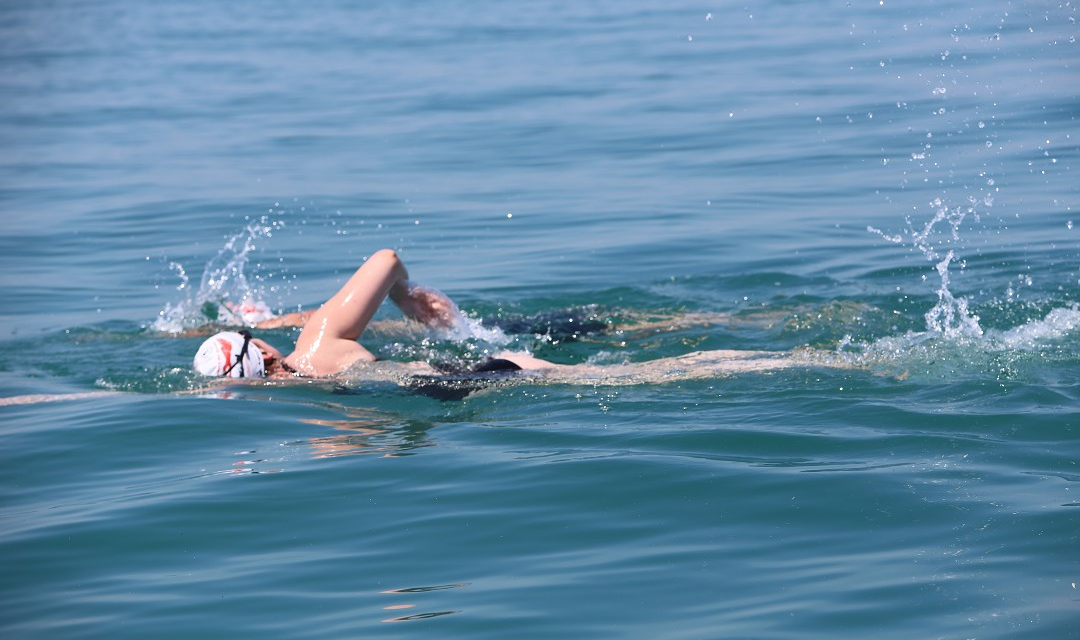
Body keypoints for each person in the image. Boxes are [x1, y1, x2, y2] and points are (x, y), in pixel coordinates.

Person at [192, 248, 846, 385]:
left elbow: (387, 257)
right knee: (661, 372)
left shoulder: (318, 356)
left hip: (484, 370)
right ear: (260, 347)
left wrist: (402, 296)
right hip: (471, 372)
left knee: (665, 374)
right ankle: (798, 355)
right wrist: (399, 296)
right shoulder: (314, 357)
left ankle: (806, 359)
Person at [193, 249, 552, 379]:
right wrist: (402, 296)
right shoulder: (315, 347)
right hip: (484, 372)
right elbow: (387, 260)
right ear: (266, 352)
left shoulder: (320, 430)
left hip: (445, 399)